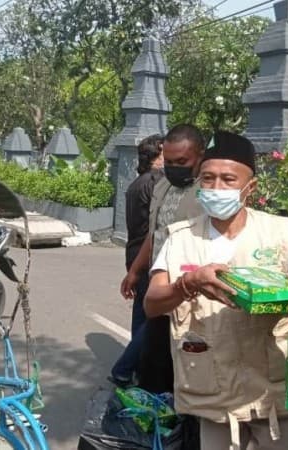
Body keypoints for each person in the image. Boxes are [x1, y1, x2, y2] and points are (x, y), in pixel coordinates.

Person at [144, 131, 288, 449]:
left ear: (251, 187)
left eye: (228, 179)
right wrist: (188, 284)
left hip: (273, 392)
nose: (216, 188)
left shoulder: (280, 234)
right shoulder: (181, 238)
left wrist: (276, 296)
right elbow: (152, 305)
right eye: (207, 178)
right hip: (212, 393)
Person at [119, 124, 206, 394]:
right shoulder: (162, 185)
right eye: (169, 161)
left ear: (200, 156)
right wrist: (135, 270)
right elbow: (155, 233)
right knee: (153, 364)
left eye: (182, 161)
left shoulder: (208, 191)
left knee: (188, 369)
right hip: (161, 288)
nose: (174, 167)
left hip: (193, 294)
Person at [109, 134, 164, 387]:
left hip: (135, 254)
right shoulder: (158, 184)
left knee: (142, 314)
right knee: (154, 317)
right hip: (148, 256)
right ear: (159, 155)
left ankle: (138, 367)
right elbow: (155, 230)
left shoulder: (136, 184)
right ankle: (124, 367)